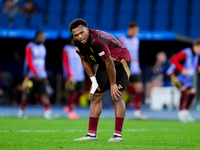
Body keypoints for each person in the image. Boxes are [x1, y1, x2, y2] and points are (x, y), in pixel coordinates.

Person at [69, 19, 131, 142]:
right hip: (105, 63)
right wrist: (93, 80)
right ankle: (91, 134)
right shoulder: (77, 42)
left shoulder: (97, 40)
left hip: (120, 60)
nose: (79, 37)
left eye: (82, 32)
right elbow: (84, 60)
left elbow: (110, 63)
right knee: (95, 96)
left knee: (117, 96)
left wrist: (113, 84)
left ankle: (117, 135)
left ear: (87, 29)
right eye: (76, 35)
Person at [17, 30, 55, 119]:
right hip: (31, 75)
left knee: (44, 93)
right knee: (27, 94)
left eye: (44, 37)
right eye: (42, 37)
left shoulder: (43, 47)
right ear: (37, 36)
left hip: (41, 75)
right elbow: (29, 62)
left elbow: (42, 63)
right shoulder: (30, 46)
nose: (43, 39)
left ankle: (48, 112)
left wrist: (44, 75)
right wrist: (35, 73)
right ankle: (21, 111)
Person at [119, 22, 148, 120]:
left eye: (137, 30)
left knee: (139, 88)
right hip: (125, 69)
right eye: (135, 30)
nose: (136, 32)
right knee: (123, 91)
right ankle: (121, 112)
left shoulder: (136, 40)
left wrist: (138, 67)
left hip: (135, 70)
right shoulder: (122, 40)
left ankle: (137, 112)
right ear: (130, 29)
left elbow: (136, 55)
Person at [167, 39, 200, 122]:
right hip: (175, 75)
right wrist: (182, 69)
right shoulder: (186, 53)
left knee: (192, 93)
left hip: (185, 79)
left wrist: (197, 68)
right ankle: (180, 112)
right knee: (184, 91)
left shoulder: (196, 56)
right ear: (196, 46)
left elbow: (192, 66)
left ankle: (186, 112)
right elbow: (173, 59)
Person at [62, 34, 85, 119]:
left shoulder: (81, 48)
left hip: (80, 75)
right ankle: (71, 111)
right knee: (72, 92)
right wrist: (69, 75)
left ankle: (69, 107)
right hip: (71, 75)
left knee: (81, 92)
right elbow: (65, 63)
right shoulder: (66, 49)